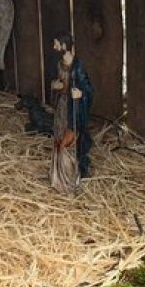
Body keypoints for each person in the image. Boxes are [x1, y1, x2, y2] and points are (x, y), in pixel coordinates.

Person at [49, 33, 93, 194]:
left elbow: (88, 88)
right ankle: (58, 177)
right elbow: (58, 82)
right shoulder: (60, 64)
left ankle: (70, 177)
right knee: (58, 135)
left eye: (56, 44)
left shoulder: (77, 66)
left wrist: (81, 94)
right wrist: (55, 86)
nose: (54, 47)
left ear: (64, 46)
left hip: (73, 109)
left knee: (70, 138)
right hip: (62, 106)